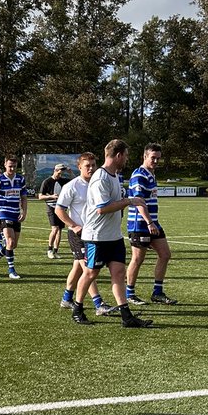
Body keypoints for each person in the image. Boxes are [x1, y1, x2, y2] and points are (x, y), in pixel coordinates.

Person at [71, 140, 153, 327]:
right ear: (118, 155)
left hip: (113, 236)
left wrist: (127, 201)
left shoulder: (115, 175)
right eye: (125, 155)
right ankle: (77, 308)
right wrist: (129, 201)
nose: (126, 159)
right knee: (91, 273)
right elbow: (102, 208)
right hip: (96, 237)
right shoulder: (101, 178)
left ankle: (126, 316)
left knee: (118, 272)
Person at [55, 152, 111, 315]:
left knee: (78, 268)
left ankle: (67, 299)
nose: (91, 168)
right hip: (78, 234)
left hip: (95, 234)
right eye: (87, 166)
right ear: (79, 167)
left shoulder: (98, 184)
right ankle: (98, 303)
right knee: (88, 268)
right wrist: (73, 226)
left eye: (94, 165)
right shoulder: (72, 186)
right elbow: (59, 209)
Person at [124, 144, 178, 305]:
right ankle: (130, 294)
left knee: (165, 254)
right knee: (137, 259)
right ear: (144, 156)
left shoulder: (151, 174)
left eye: (158, 158)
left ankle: (157, 292)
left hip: (152, 223)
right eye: (152, 157)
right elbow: (139, 201)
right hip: (140, 224)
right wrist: (149, 222)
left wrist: (152, 222)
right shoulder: (139, 175)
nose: (155, 160)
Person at [0, 157, 28, 279]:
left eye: (14, 166)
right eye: (10, 166)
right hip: (4, 214)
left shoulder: (20, 179)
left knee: (13, 245)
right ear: (5, 164)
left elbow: (24, 197)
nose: (12, 168)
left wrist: (24, 212)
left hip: (16, 214)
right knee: (10, 242)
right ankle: (11, 271)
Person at [38, 163, 69, 259]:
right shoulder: (47, 182)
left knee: (59, 230)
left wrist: (71, 172)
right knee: (55, 229)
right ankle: (49, 250)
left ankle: (56, 251)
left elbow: (76, 181)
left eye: (62, 172)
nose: (61, 174)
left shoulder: (63, 181)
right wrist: (51, 196)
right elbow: (40, 196)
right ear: (55, 170)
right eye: (59, 171)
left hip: (61, 207)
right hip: (51, 207)